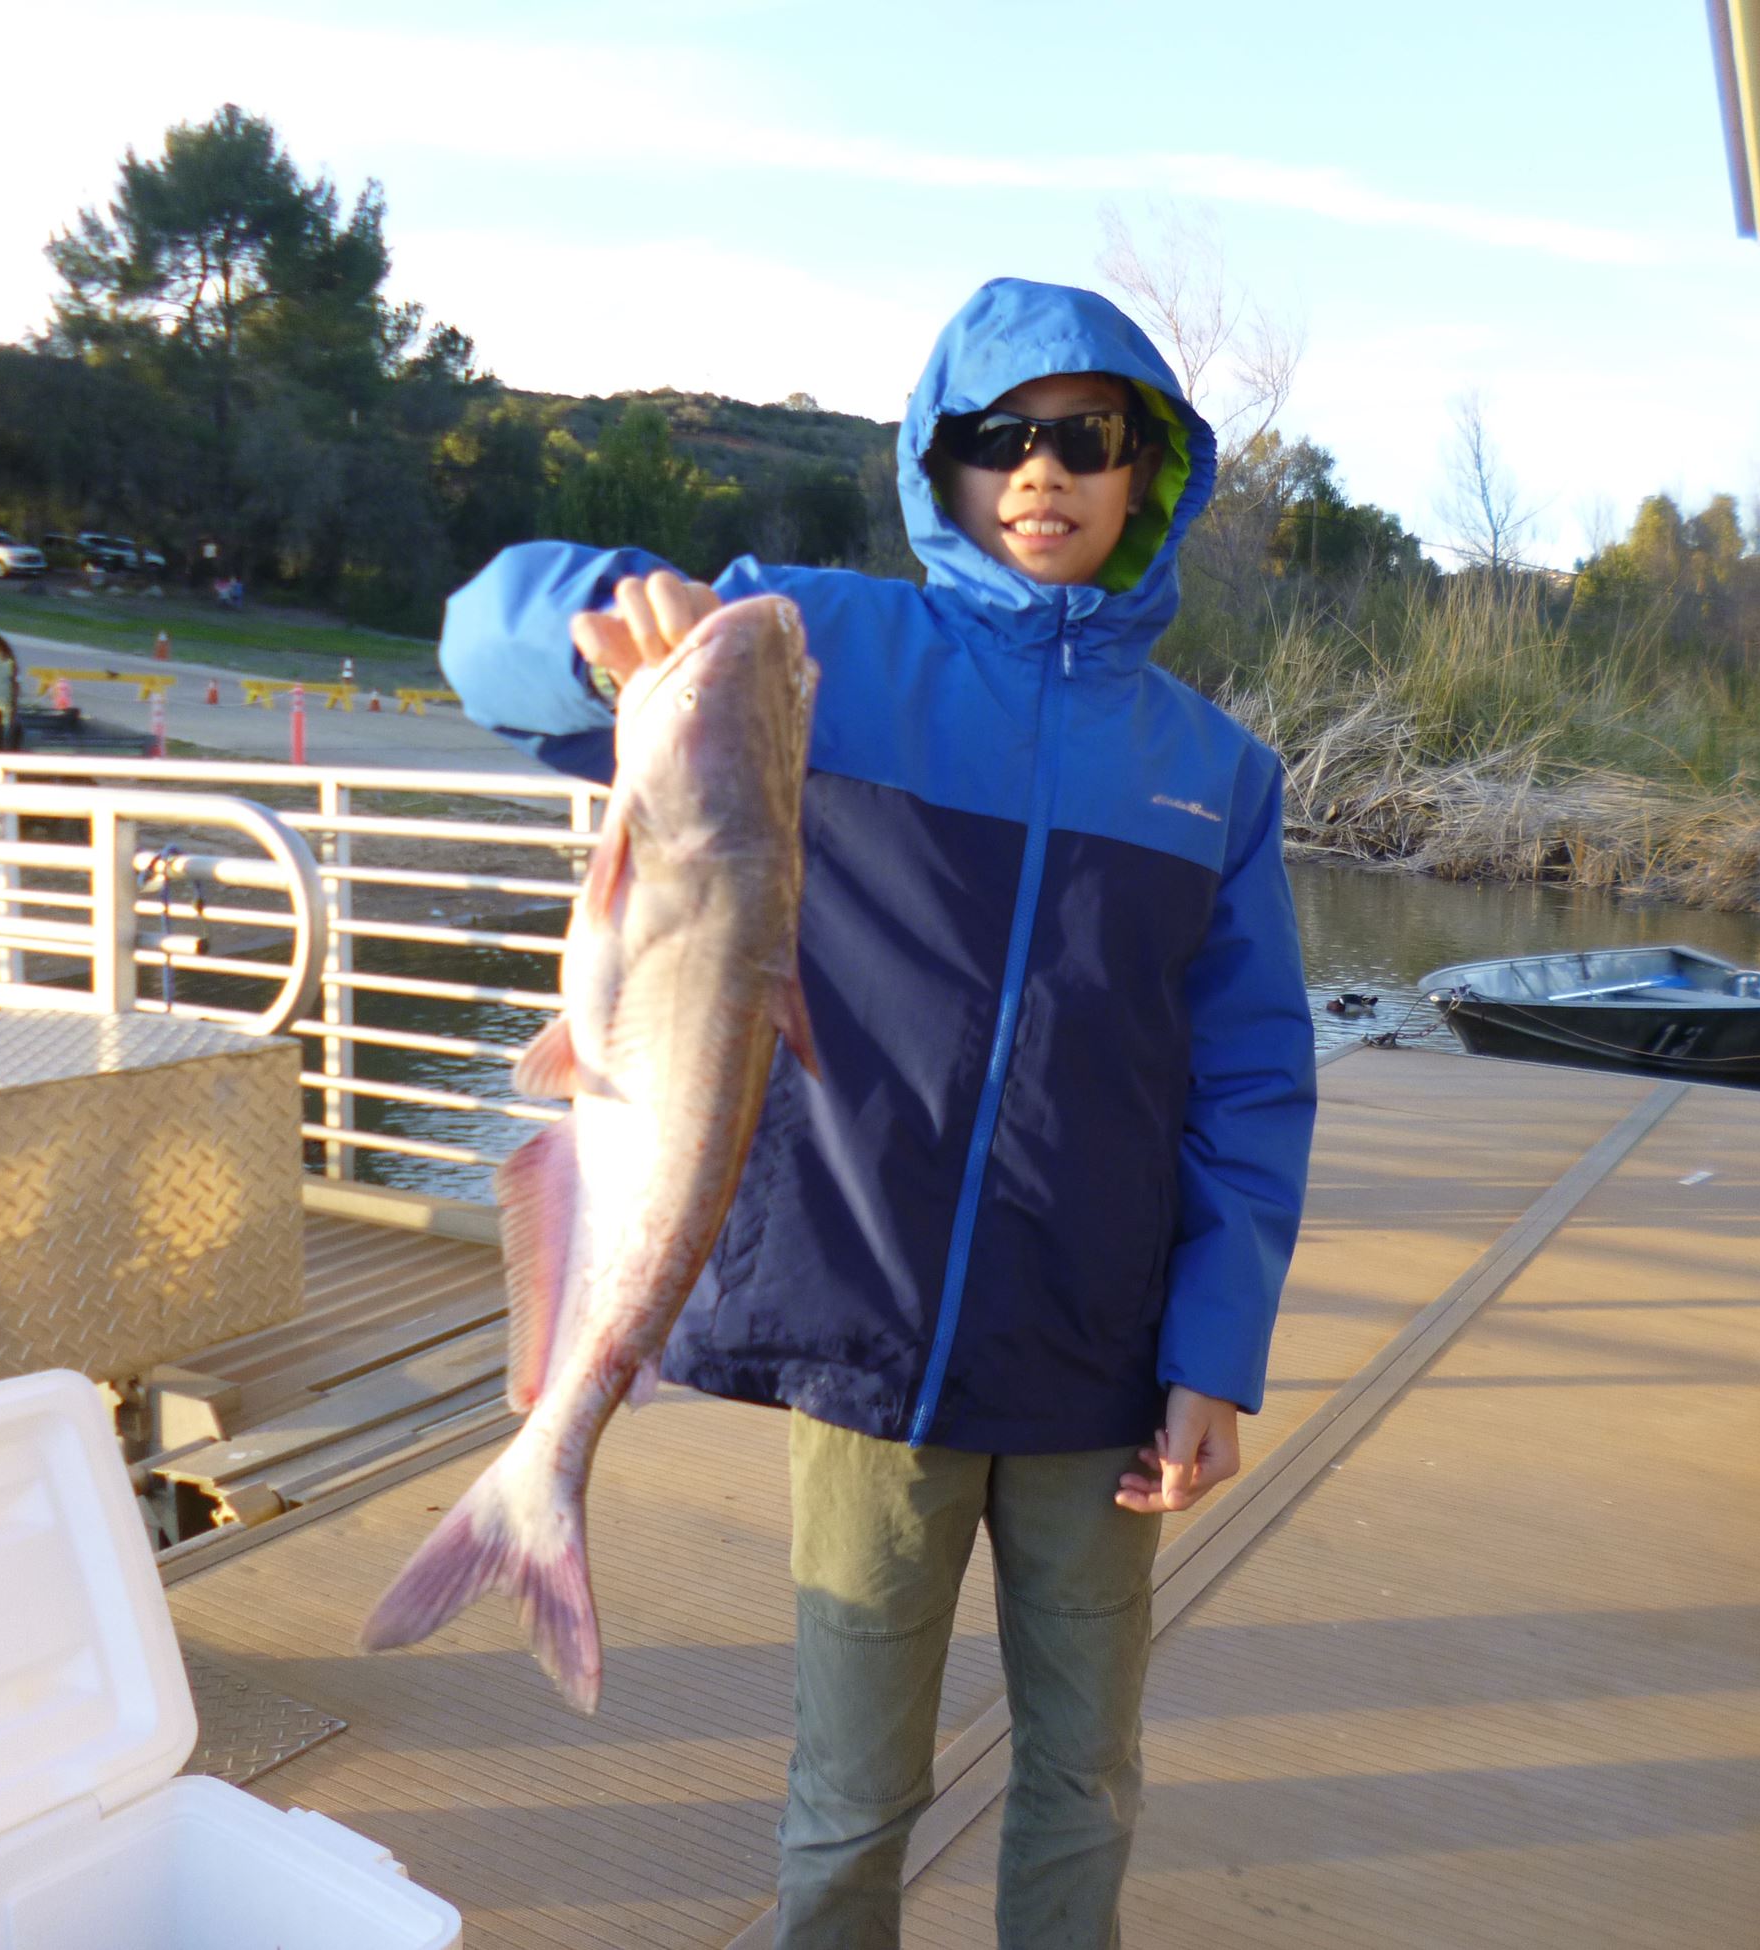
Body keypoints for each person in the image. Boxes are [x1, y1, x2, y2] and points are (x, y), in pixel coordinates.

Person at [440, 276, 1316, 1948]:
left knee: (1089, 1773)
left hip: (1101, 1368)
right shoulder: (802, 647)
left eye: (1088, 437)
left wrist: (1214, 1352)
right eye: (999, 437)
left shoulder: (1219, 771)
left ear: (1152, 476)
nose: (1040, 470)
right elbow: (482, 638)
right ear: (939, 462)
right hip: (871, 1350)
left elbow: (1256, 1080)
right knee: (852, 1793)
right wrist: (600, 615)